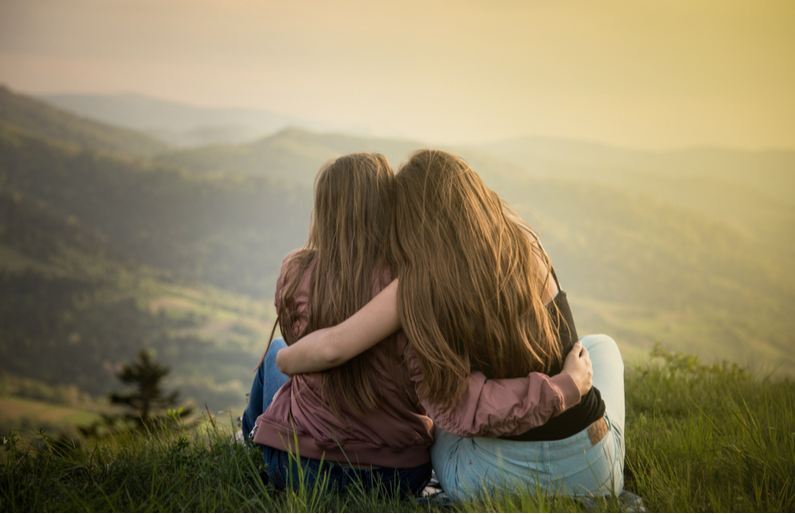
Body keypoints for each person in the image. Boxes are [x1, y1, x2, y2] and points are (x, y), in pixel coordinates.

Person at [277, 150, 625, 501]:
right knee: (600, 347)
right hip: (594, 471)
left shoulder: (421, 288)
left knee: (443, 416)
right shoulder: (526, 243)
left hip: (488, 481)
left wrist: (284, 360)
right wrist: (567, 385)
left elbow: (466, 410)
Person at [241, 152, 435, 495]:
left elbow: (296, 344)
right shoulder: (408, 281)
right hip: (398, 475)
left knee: (276, 351)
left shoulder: (296, 271)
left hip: (305, 468)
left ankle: (248, 438)